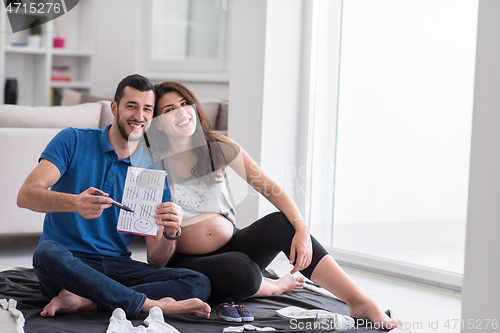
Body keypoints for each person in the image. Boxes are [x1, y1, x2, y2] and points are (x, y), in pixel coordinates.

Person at [140, 81, 399, 330]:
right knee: (238, 268)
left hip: (234, 245)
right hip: (188, 263)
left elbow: (270, 188)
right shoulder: (150, 167)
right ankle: (275, 286)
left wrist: (301, 229)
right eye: (169, 110)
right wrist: (172, 232)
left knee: (280, 223)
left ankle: (358, 300)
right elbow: (155, 259)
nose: (181, 112)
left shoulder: (217, 146)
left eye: (185, 103)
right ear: (158, 125)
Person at [16, 74, 212, 319]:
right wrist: (75, 203)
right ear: (114, 107)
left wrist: (172, 234)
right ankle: (148, 305)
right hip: (68, 264)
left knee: (197, 282)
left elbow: (156, 259)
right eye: (131, 106)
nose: (139, 116)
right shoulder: (73, 140)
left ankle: (90, 302)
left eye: (147, 109)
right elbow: (26, 195)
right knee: (45, 253)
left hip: (115, 266)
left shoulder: (152, 171)